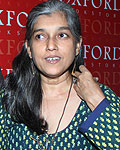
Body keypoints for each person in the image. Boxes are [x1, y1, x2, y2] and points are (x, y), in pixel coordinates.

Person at [0, 0, 119, 149]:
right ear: (29, 49)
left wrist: (96, 100)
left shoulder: (102, 98)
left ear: (77, 46)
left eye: (62, 35)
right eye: (40, 36)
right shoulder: (9, 99)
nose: (51, 45)